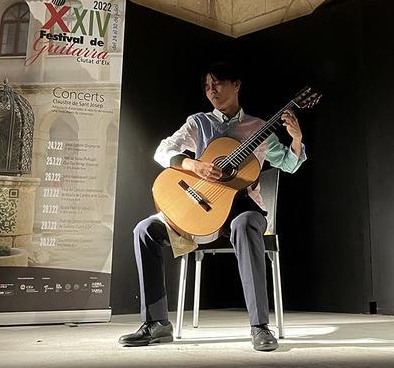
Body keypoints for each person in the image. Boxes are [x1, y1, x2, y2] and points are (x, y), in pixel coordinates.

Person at [119, 61, 306, 352]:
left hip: (243, 208)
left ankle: (259, 326)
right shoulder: (199, 122)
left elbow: (290, 164)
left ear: (237, 85)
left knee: (244, 224)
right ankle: (156, 324)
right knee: (144, 230)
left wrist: (296, 140)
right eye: (207, 86)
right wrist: (194, 164)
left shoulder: (258, 128)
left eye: (217, 83)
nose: (212, 90)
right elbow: (162, 150)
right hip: (202, 206)